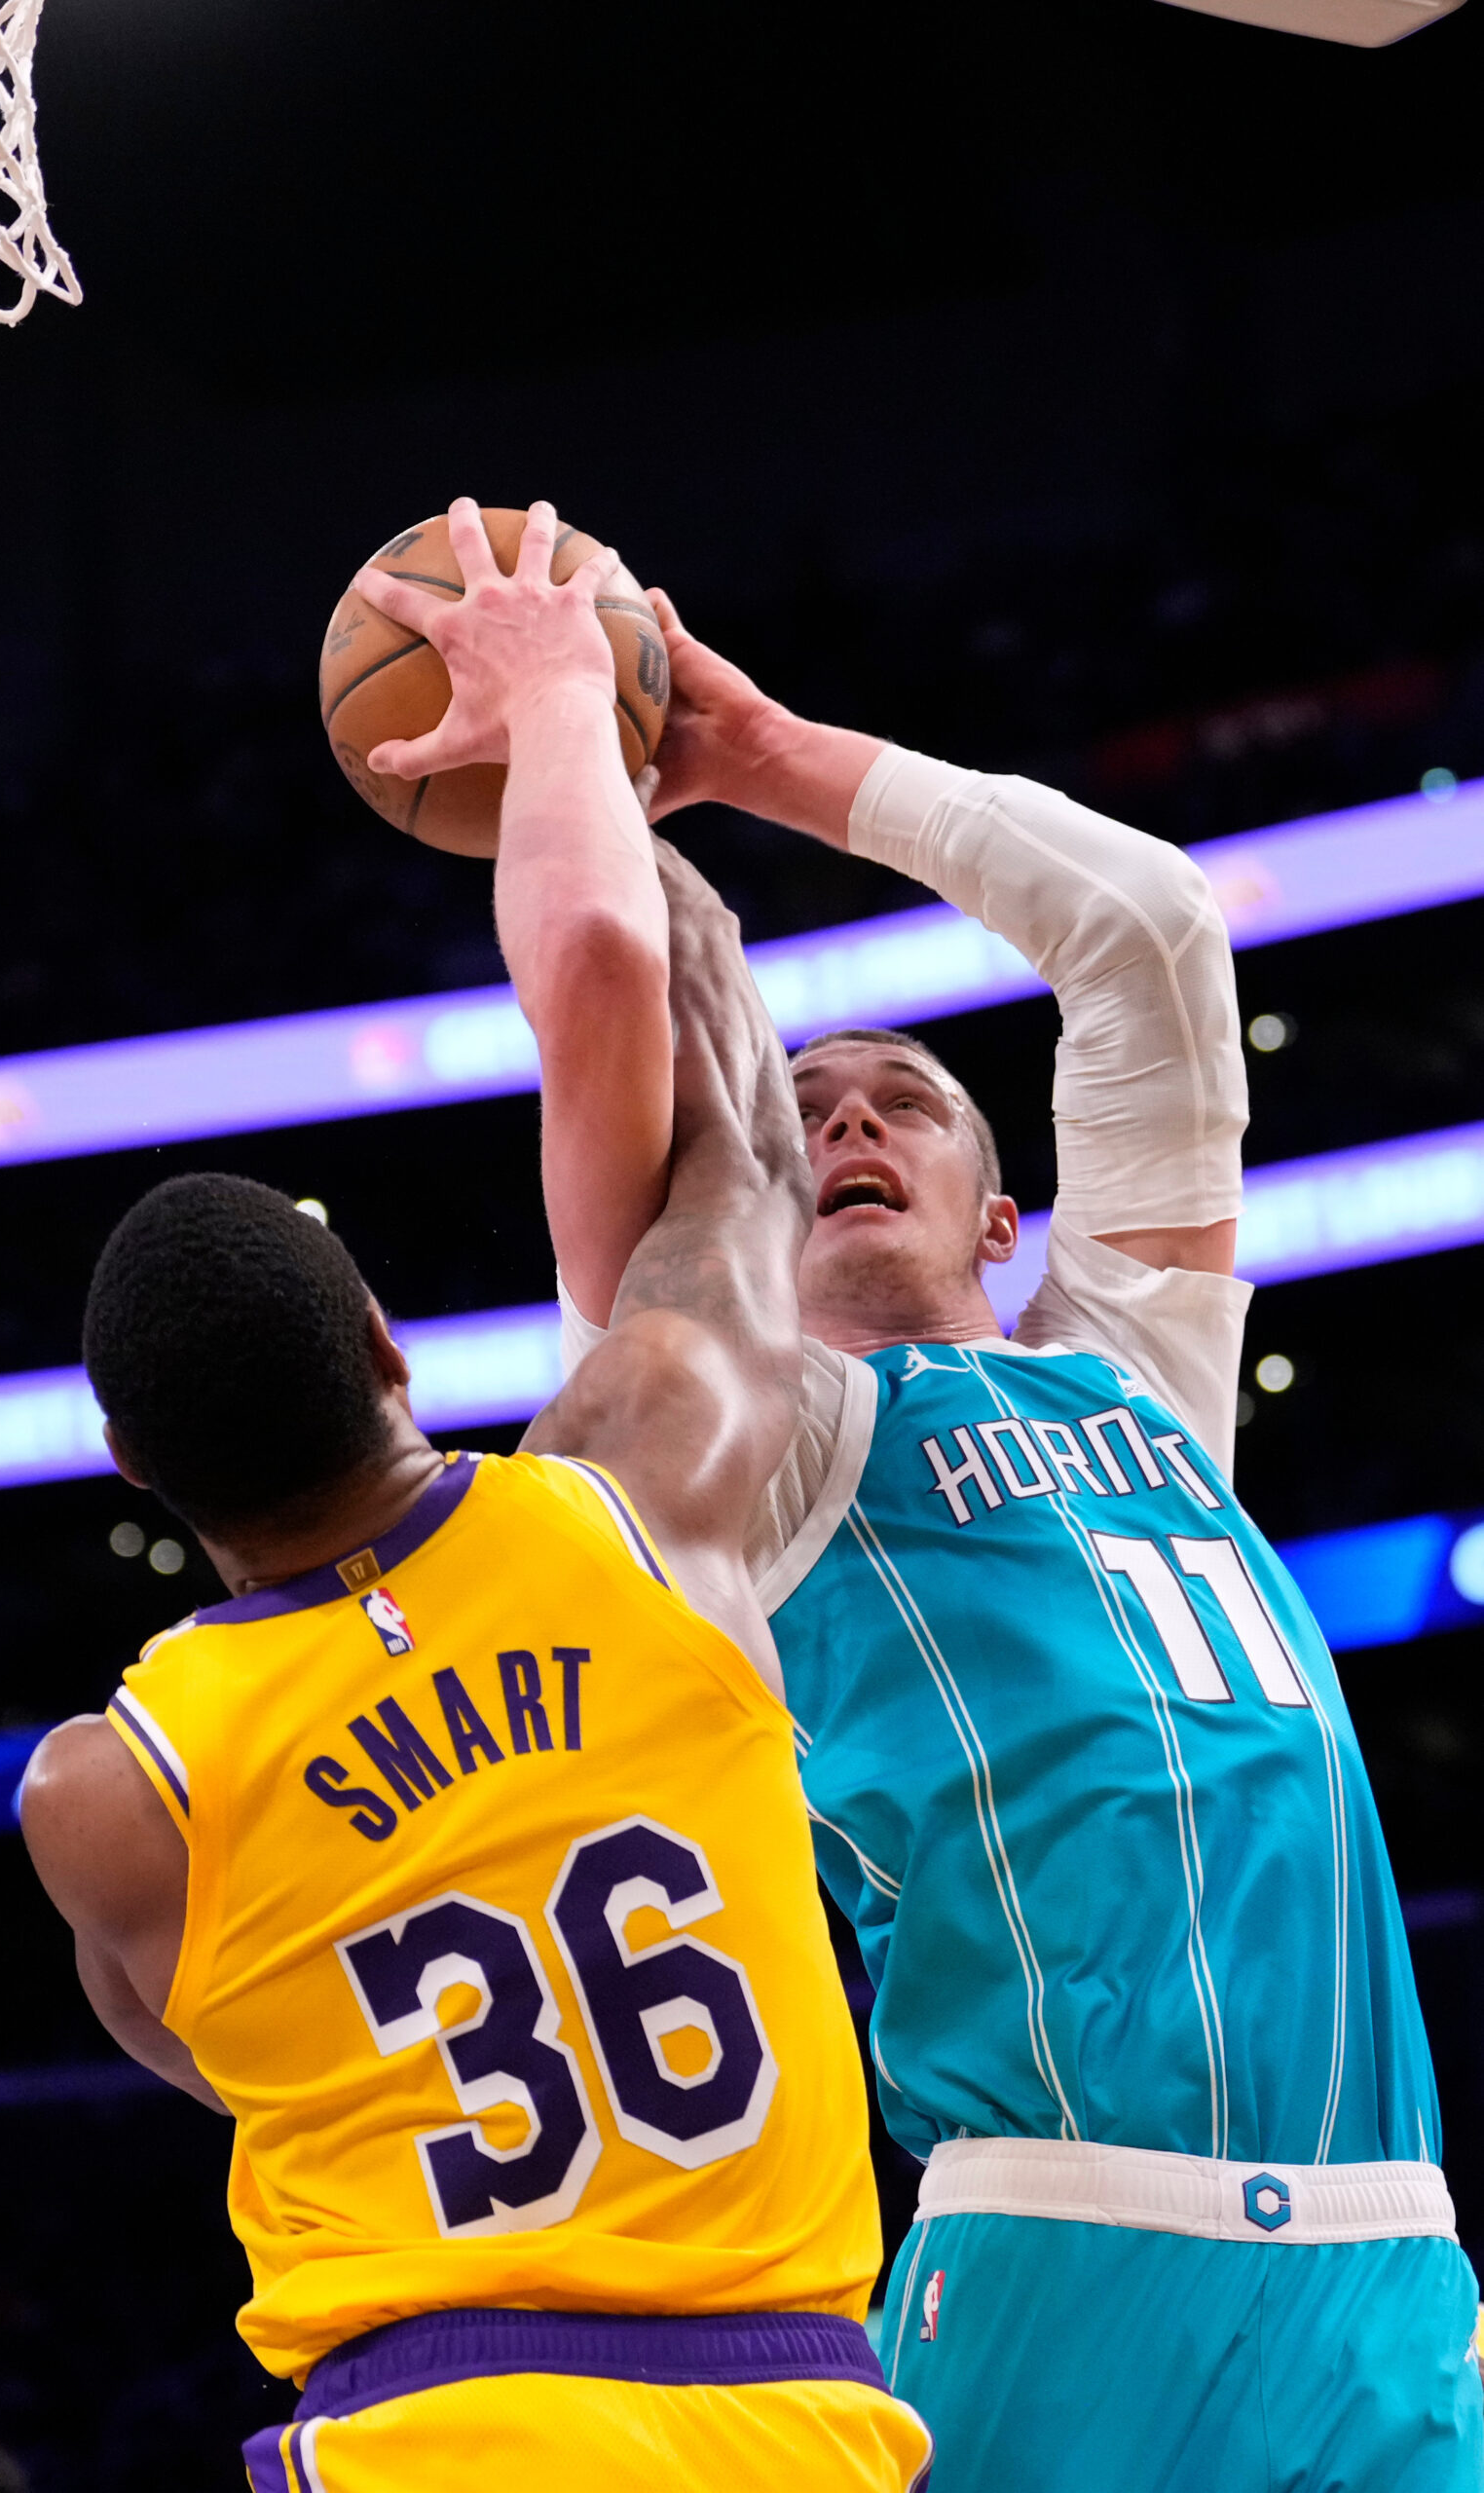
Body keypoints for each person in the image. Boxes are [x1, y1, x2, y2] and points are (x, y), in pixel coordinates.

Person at [498, 589, 1483, 2490]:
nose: (851, 1121)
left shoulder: (1141, 1375)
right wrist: (564, 745)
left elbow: (1147, 934)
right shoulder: (759, 1445)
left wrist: (765, 754)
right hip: (1054, 2234)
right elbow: (619, 1058)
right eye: (805, 1114)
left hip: (1386, 2245)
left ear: (1000, 1214)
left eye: (908, 1105)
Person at [19, 504, 931, 2493]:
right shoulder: (641, 1480)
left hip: (433, 2432)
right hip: (795, 2421)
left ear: (134, 1470)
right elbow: (746, 1152)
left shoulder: (107, 1795)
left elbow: (233, 2058)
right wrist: (595, 746)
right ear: (387, 1340)